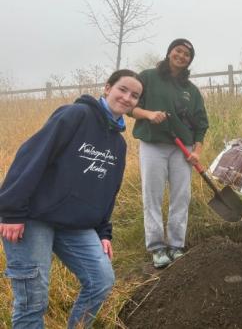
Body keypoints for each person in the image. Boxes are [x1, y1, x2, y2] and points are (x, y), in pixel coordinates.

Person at [0, 69, 143, 328]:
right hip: (33, 217)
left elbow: (108, 191)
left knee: (101, 279)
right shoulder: (76, 115)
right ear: (108, 88)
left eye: (134, 95)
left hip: (75, 225)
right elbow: (31, 157)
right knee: (32, 301)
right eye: (123, 89)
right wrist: (11, 211)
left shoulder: (119, 145)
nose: (127, 97)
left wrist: (103, 232)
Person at [131, 38, 209, 269]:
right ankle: (156, 247)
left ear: (189, 61)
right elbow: (129, 106)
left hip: (181, 150)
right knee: (152, 195)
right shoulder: (147, 77)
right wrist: (148, 114)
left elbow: (201, 124)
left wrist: (197, 151)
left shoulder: (191, 91)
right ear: (169, 52)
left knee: (181, 197)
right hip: (153, 145)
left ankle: (176, 244)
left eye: (187, 54)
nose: (181, 56)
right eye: (178, 51)